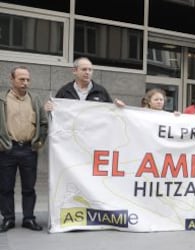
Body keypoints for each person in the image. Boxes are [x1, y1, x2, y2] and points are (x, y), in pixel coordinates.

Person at [0, 66, 48, 232]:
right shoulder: (3, 99)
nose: (25, 83)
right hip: (7, 150)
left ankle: (29, 218)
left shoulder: (34, 99)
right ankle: (8, 219)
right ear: (12, 79)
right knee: (5, 187)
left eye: (27, 79)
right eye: (21, 79)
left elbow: (43, 122)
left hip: (29, 150)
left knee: (29, 188)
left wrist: (39, 142)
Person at [44, 57, 125, 111]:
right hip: (72, 135)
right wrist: (49, 108)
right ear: (74, 71)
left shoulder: (101, 91)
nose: (87, 72)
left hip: (93, 135)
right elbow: (56, 113)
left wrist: (117, 107)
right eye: (84, 69)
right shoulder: (65, 91)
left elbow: (110, 113)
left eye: (90, 70)